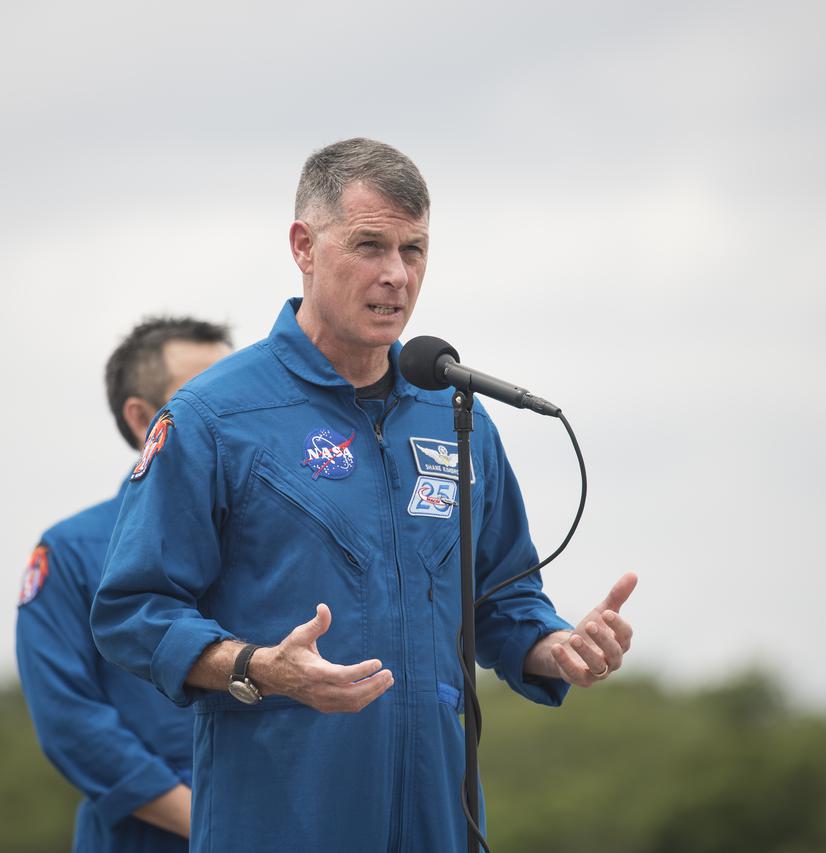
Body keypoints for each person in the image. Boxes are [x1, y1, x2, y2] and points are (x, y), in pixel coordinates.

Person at [91, 139, 638, 851]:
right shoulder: (213, 418)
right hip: (278, 821)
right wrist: (259, 669)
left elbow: (503, 605)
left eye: (414, 250)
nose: (396, 276)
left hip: (439, 819)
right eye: (370, 246)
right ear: (304, 246)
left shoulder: (459, 417)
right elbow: (133, 610)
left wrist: (558, 645)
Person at [16, 316, 232, 853]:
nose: (229, 411)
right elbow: (72, 723)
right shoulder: (71, 550)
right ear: (142, 418)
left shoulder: (276, 538)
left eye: (236, 391)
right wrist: (217, 826)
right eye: (202, 396)